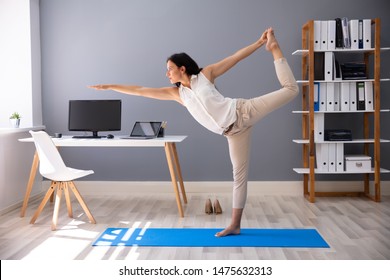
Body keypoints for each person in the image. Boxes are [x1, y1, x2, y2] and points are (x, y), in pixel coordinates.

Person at [89, 28, 299, 237]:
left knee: (291, 90)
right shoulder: (177, 94)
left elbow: (235, 58)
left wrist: (259, 43)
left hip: (242, 111)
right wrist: (110, 86)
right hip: (233, 134)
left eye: (169, 69)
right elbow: (140, 90)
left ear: (182, 68)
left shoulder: (205, 75)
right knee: (239, 178)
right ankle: (235, 225)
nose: (167, 74)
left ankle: (275, 48)